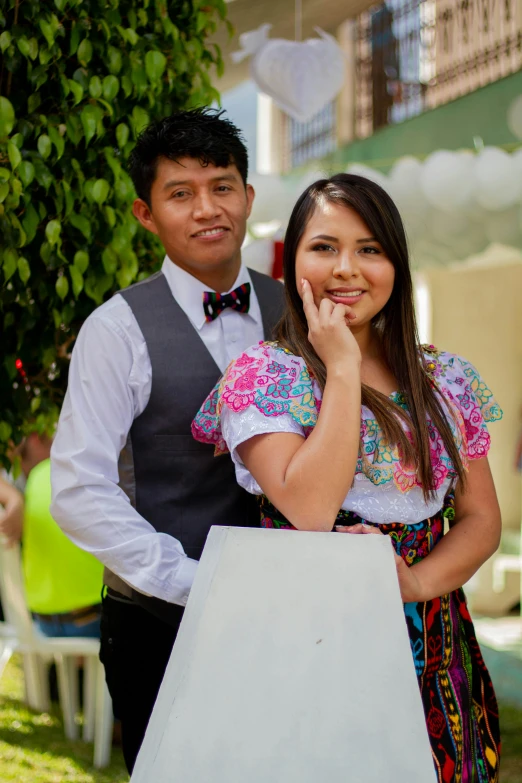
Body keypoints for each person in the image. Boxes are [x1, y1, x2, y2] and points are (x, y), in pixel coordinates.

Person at [193, 173, 502, 782]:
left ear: (397, 264)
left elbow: (482, 519)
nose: (347, 270)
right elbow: (310, 507)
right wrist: (341, 366)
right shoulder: (265, 375)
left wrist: (414, 584)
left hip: (433, 634)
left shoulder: (444, 378)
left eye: (370, 249)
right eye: (324, 247)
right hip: (305, 634)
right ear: (293, 262)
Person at [50, 109, 285, 772]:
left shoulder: (300, 308)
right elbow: (77, 490)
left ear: (248, 196)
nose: (207, 208)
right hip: (162, 623)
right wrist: (194, 580)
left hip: (287, 613)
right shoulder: (116, 329)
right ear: (145, 213)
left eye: (222, 186)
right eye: (181, 193)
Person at [11, 433, 103, 638]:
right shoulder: (79, 469)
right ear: (36, 438)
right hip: (90, 620)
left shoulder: (29, 482)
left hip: (43, 625)